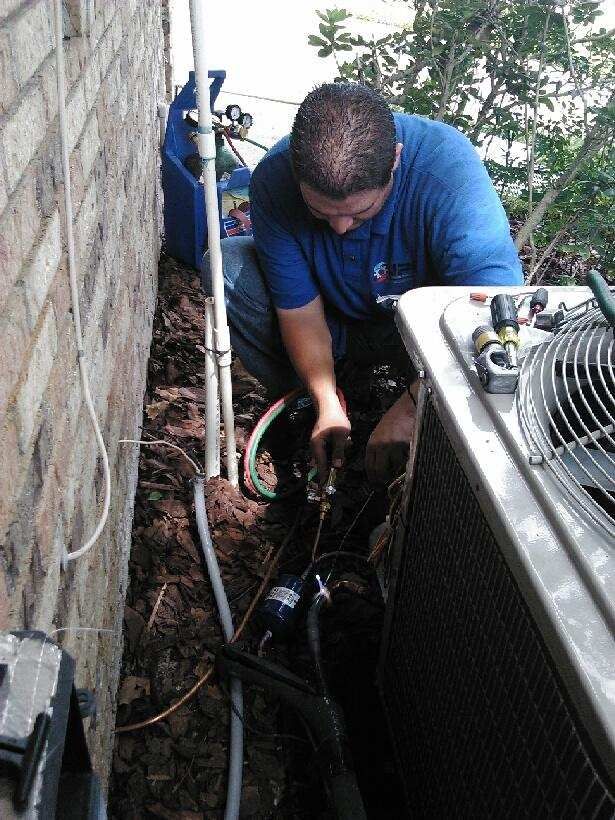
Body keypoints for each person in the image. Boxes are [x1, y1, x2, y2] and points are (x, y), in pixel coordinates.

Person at [202, 83, 522, 485]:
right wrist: (325, 400)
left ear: (396, 160)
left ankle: (419, 423)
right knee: (227, 265)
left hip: (423, 338)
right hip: (333, 319)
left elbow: (490, 306)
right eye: (321, 212)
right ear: (296, 174)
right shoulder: (275, 179)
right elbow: (299, 312)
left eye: (361, 212)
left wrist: (413, 405)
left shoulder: (447, 174)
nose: (340, 228)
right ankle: (309, 405)